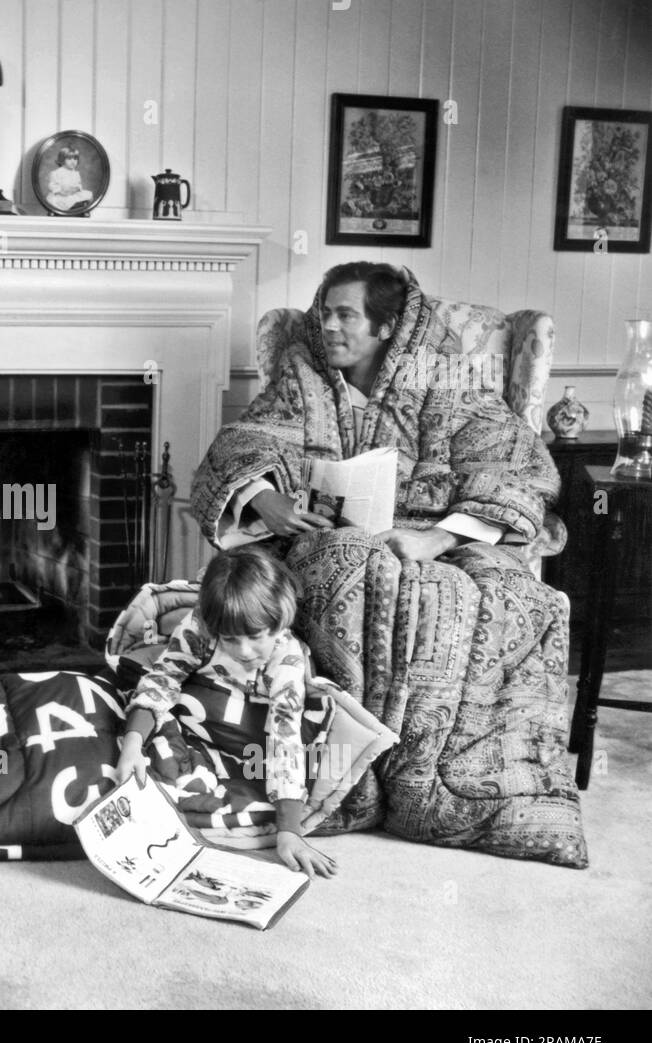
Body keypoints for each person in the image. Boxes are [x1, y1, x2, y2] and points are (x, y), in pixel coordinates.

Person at [186, 262, 587, 867]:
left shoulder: (451, 379)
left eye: (345, 314)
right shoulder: (302, 373)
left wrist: (437, 539)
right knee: (352, 564)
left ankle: (448, 793)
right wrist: (264, 496)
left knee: (501, 600)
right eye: (324, 311)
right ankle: (344, 788)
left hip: (441, 534)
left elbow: (516, 465)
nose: (327, 325)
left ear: (386, 326)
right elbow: (247, 439)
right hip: (331, 536)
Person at [115, 546, 337, 879]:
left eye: (255, 637)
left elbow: (285, 735)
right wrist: (132, 744)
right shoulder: (200, 625)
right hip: (203, 708)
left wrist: (289, 830)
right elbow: (164, 677)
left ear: (278, 623)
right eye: (230, 640)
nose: (244, 650)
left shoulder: (287, 658)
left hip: (250, 727)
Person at [46, 146, 93, 212]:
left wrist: (76, 188)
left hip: (72, 193)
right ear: (62, 159)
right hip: (61, 195)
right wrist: (60, 191)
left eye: (75, 159)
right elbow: (52, 185)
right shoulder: (56, 172)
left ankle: (75, 207)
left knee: (87, 194)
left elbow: (78, 184)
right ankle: (66, 207)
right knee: (59, 200)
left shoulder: (76, 173)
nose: (73, 161)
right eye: (69, 159)